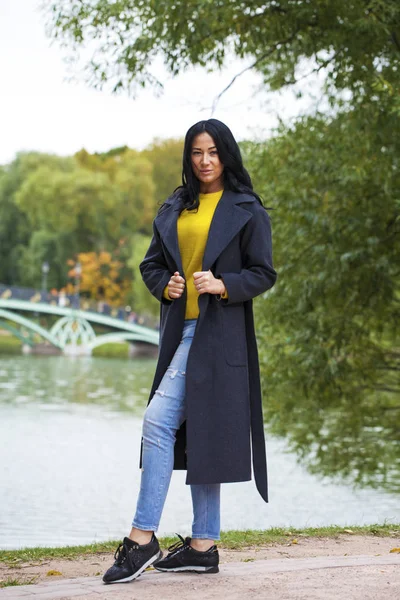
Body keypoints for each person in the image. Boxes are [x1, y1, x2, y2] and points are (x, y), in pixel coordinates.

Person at [103, 118, 277, 584]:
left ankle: (142, 539)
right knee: (200, 434)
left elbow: (264, 273)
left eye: (213, 153)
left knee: (159, 424)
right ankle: (203, 546)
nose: (205, 162)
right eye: (197, 153)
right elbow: (150, 264)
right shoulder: (176, 205)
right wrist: (168, 284)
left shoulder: (247, 208)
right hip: (180, 332)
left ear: (227, 155)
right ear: (189, 156)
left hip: (219, 339)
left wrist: (224, 284)